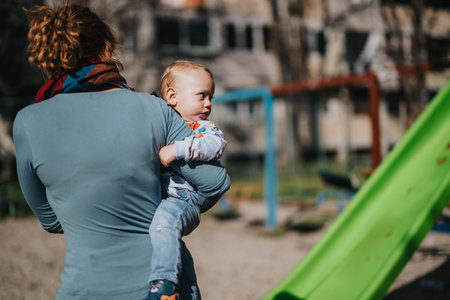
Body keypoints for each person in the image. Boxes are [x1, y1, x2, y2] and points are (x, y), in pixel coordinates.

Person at [13, 5, 230, 300]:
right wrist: (171, 213)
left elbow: (50, 221)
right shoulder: (154, 109)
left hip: (83, 290)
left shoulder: (27, 122)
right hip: (163, 287)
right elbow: (214, 182)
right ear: (106, 49)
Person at [147, 61, 227, 300]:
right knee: (174, 250)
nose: (209, 103)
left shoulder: (202, 128)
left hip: (183, 197)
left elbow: (216, 145)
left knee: (164, 226)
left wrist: (177, 150)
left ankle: (163, 285)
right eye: (202, 95)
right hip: (161, 197)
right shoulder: (161, 119)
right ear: (172, 96)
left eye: (210, 96)